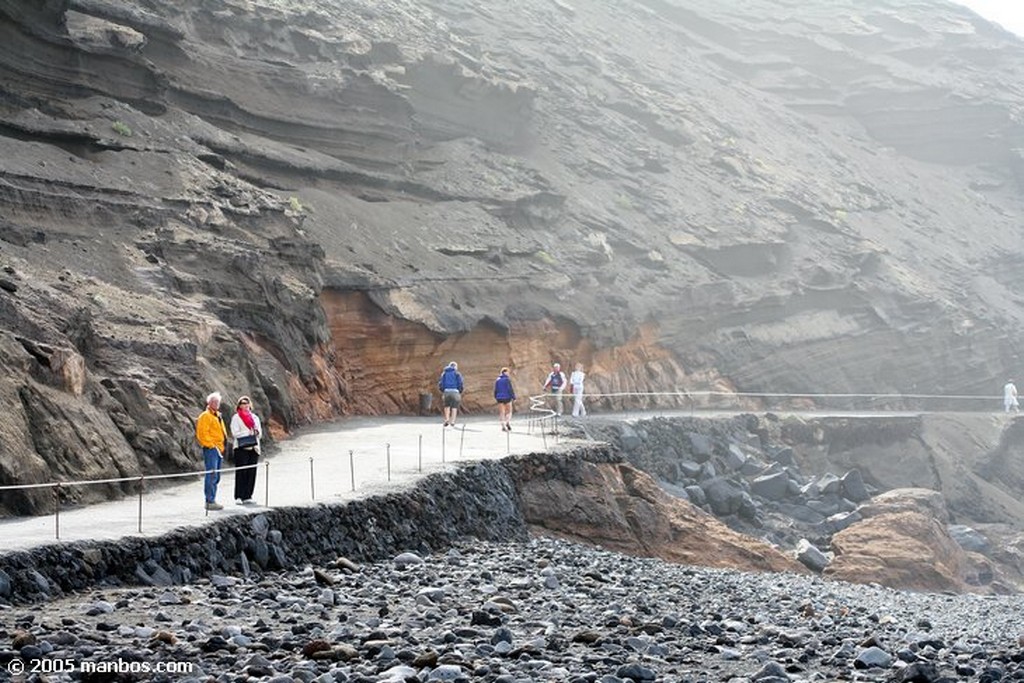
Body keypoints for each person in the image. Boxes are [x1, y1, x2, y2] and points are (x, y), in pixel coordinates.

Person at [195, 392, 227, 510]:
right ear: (209, 402)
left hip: (218, 448)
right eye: (214, 402)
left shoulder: (217, 416)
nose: (216, 404)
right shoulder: (205, 416)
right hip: (212, 449)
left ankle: (212, 498)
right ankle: (209, 500)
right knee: (212, 474)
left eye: (217, 402)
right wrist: (211, 445)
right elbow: (202, 433)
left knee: (216, 475)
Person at [230, 395, 262, 505]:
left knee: (251, 472)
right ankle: (239, 495)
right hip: (241, 447)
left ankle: (248, 495)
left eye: (247, 403)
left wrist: (256, 432)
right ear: (239, 405)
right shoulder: (236, 418)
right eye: (243, 403)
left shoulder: (255, 418)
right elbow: (235, 433)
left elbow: (260, 433)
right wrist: (248, 433)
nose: (245, 405)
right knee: (241, 471)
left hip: (254, 447)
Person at [438, 361, 464, 426]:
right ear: (455, 367)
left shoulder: (444, 373)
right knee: (454, 407)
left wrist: (443, 390)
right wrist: (460, 390)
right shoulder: (457, 374)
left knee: (446, 406)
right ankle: (452, 421)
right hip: (455, 391)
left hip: (446, 391)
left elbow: (441, 383)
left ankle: (447, 420)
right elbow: (460, 383)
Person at [494, 367, 516, 431]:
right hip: (507, 397)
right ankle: (507, 422)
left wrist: (496, 396)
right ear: (504, 372)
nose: (508, 373)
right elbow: (510, 389)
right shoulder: (507, 380)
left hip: (499, 398)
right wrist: (513, 397)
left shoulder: (497, 380)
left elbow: (496, 389)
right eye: (508, 372)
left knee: (502, 412)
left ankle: (503, 425)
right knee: (509, 411)